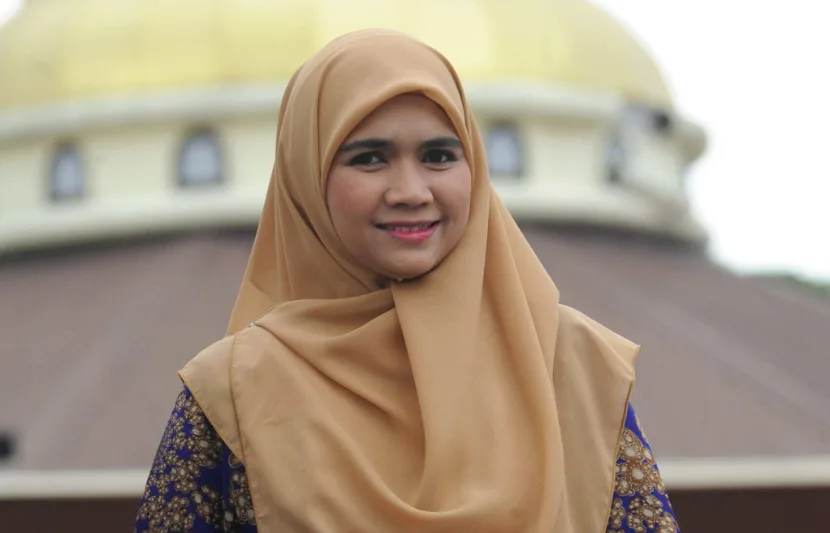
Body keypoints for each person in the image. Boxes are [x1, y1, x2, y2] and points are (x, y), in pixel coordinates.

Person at [135, 29, 680, 533]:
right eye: (370, 158)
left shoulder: (570, 363)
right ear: (307, 175)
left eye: (439, 156)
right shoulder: (236, 390)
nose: (411, 191)